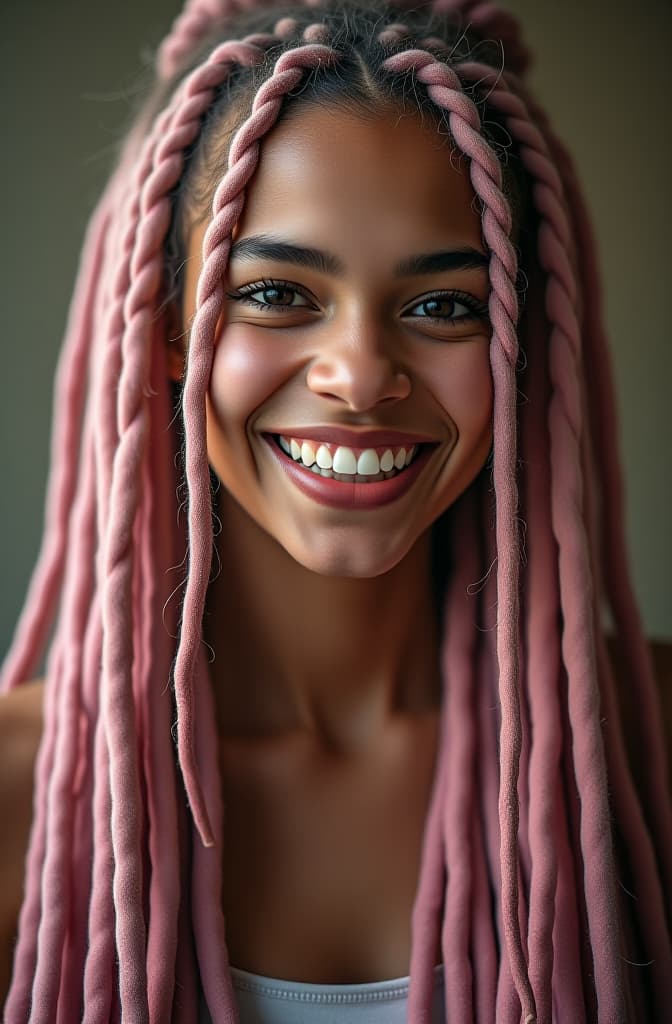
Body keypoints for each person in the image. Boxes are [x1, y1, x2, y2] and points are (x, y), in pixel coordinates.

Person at [1, 0, 670, 1020]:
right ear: (169, 329)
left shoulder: (651, 751)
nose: (360, 376)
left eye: (445, 305)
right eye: (277, 293)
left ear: (523, 347)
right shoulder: (15, 800)